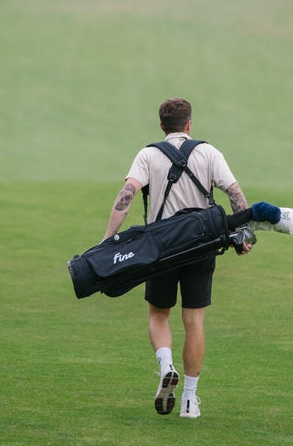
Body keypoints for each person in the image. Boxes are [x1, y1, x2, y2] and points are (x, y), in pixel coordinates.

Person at [102, 97, 252, 419]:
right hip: (201, 246)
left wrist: (106, 241)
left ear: (161, 126)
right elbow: (236, 194)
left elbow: (126, 197)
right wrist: (245, 235)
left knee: (158, 316)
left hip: (160, 248)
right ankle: (188, 400)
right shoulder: (209, 153)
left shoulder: (148, 154)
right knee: (194, 322)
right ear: (189, 125)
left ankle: (166, 364)